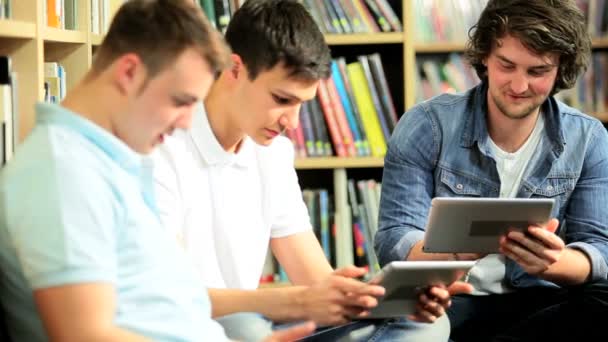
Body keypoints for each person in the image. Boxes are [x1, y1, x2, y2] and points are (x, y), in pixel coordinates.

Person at [153, 0, 471, 341]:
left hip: (258, 324)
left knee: (424, 322)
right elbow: (175, 297)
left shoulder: (274, 154)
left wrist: (376, 297)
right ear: (235, 69)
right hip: (193, 328)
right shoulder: (161, 147)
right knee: (246, 326)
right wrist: (290, 301)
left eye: (302, 104)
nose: (292, 122)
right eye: (281, 99)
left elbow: (315, 278)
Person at [0, 0, 316, 341]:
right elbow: (85, 335)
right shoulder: (62, 172)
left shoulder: (110, 161)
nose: (186, 121)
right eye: (180, 101)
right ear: (129, 72)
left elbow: (169, 302)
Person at [375, 0, 608, 341]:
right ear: (485, 55)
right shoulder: (427, 125)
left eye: (537, 71)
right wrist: (454, 253)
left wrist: (553, 261)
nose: (518, 85)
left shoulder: (588, 138)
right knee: (410, 318)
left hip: (542, 300)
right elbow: (395, 237)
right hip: (449, 299)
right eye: (507, 65)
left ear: (560, 69)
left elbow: (599, 249)